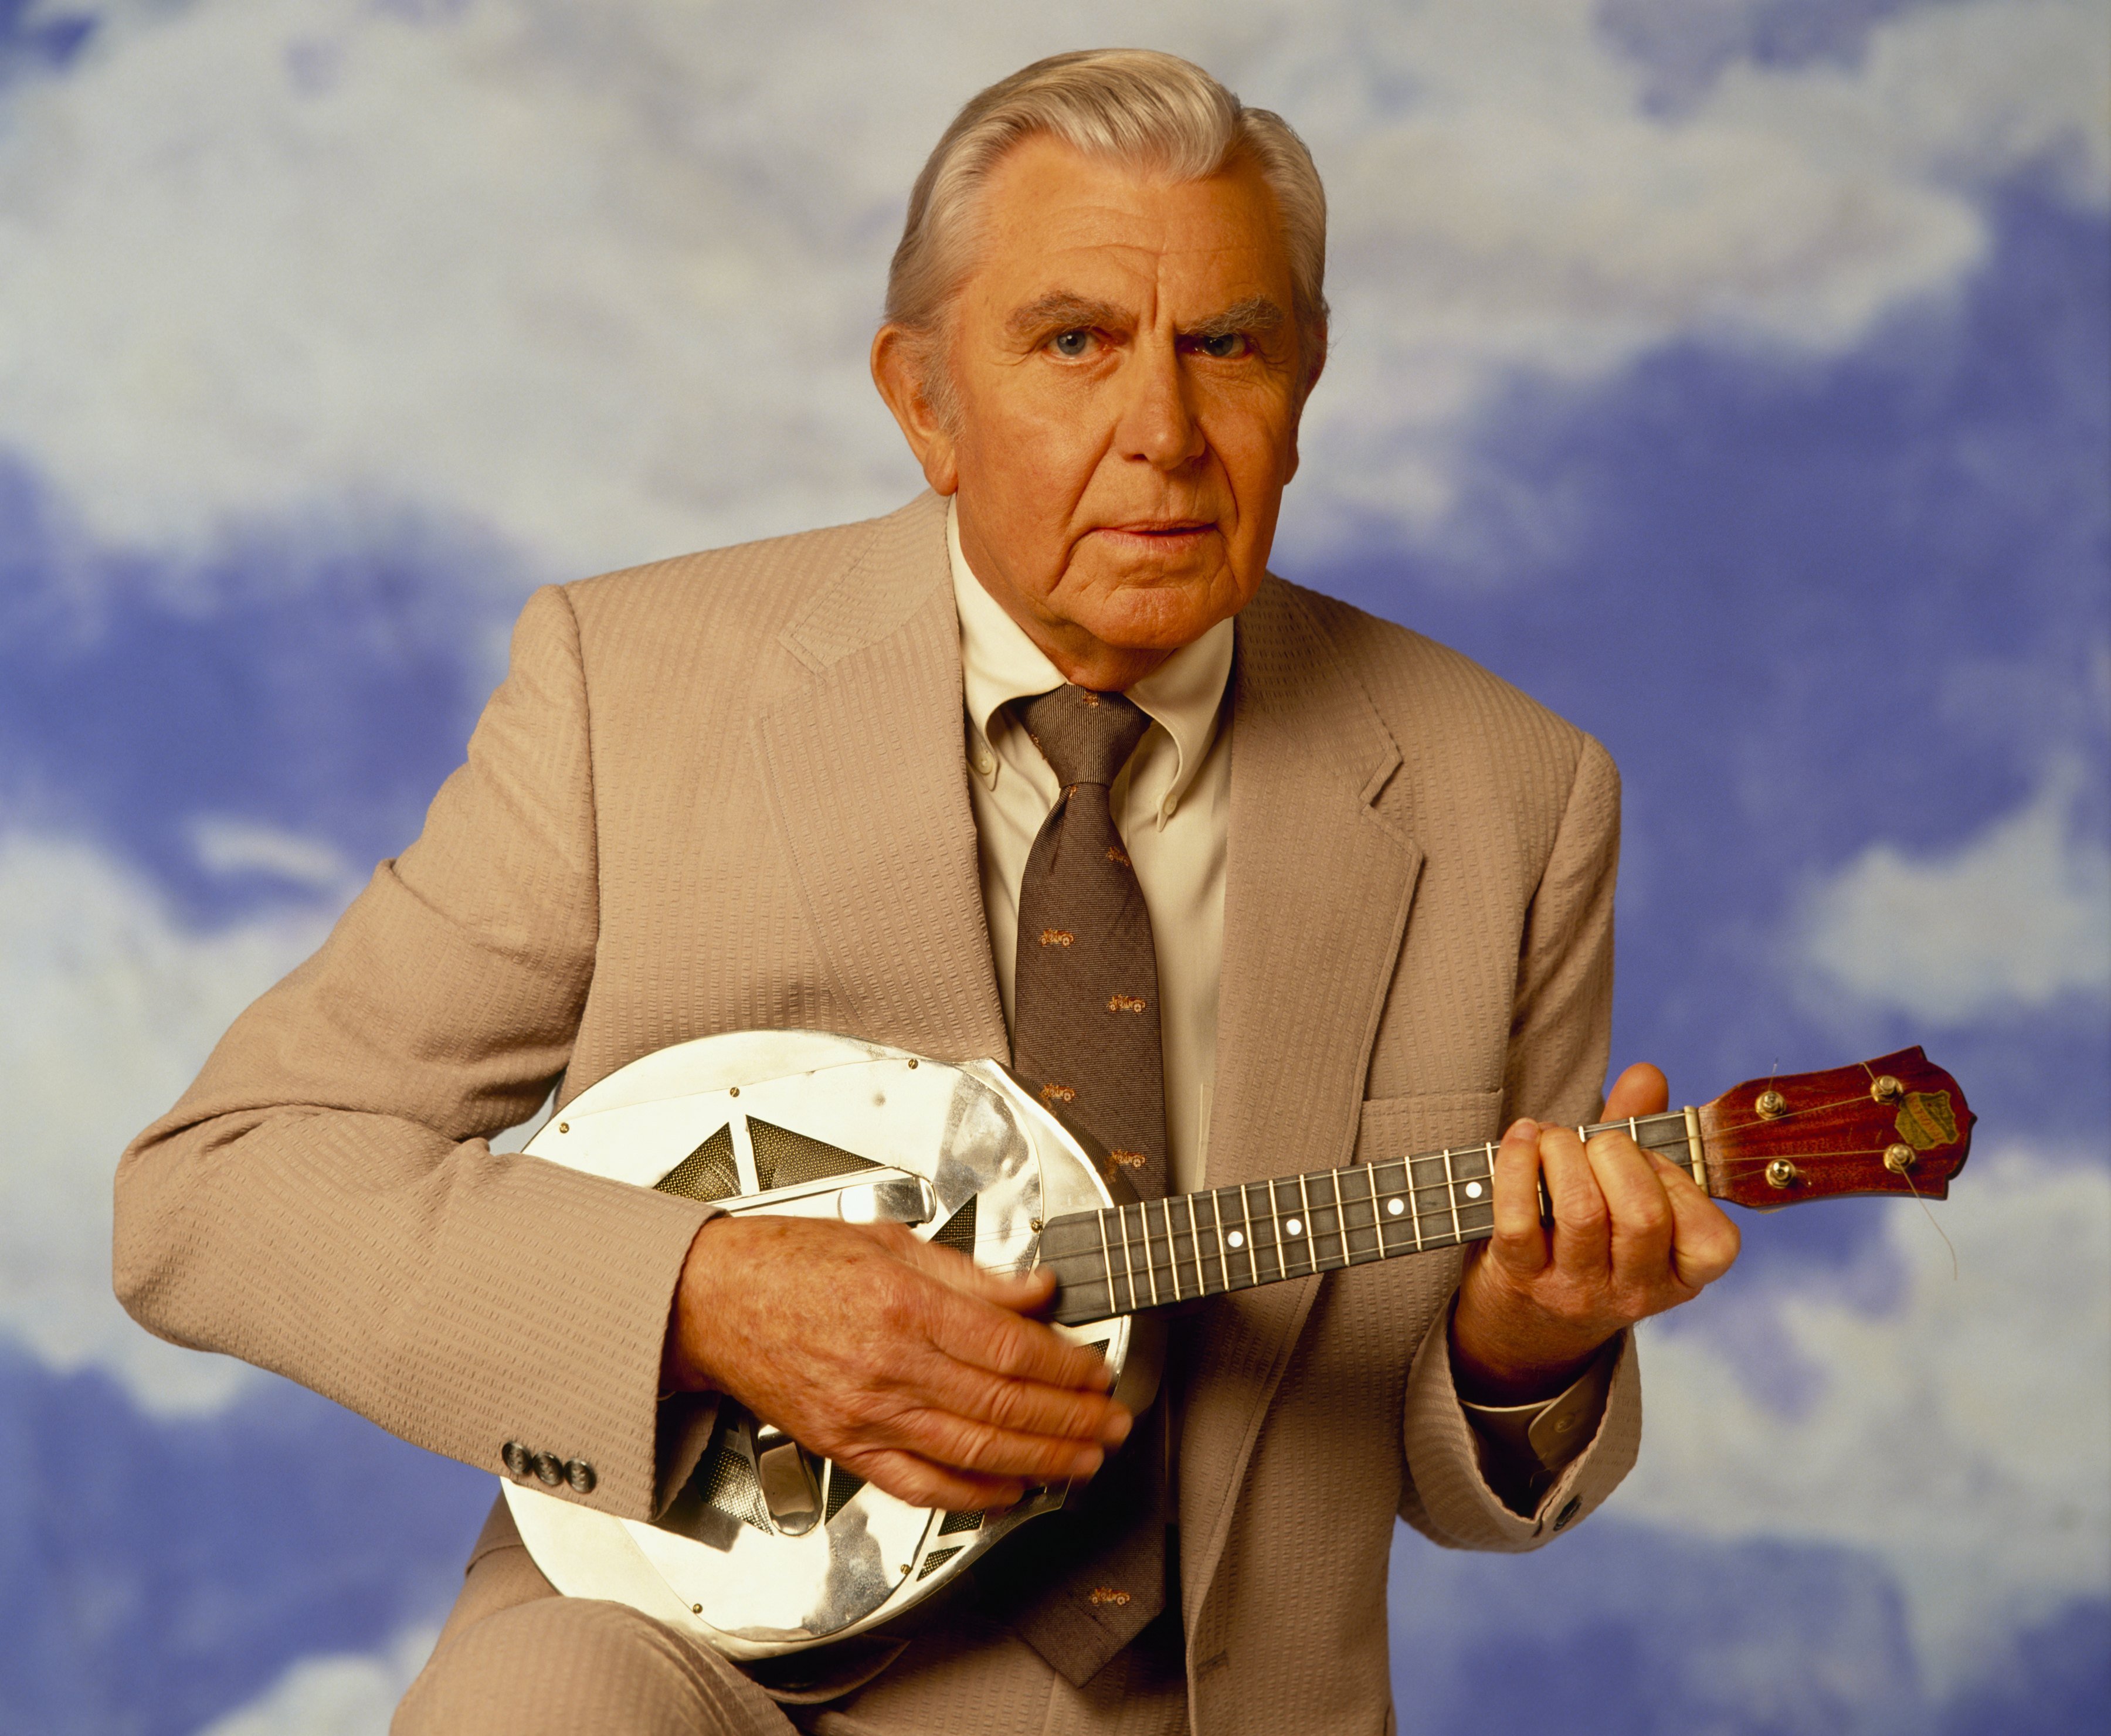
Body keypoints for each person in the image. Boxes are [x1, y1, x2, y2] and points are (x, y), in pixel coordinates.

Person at [114, 49, 1739, 1736]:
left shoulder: (1512, 793)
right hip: (687, 1674)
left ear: (1305, 382)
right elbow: (221, 1188)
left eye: (1227, 346)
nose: (1164, 434)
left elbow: (1451, 1465)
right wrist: (700, 1297)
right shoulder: (635, 693)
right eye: (1075, 343)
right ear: (924, 399)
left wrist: (1524, 1341)